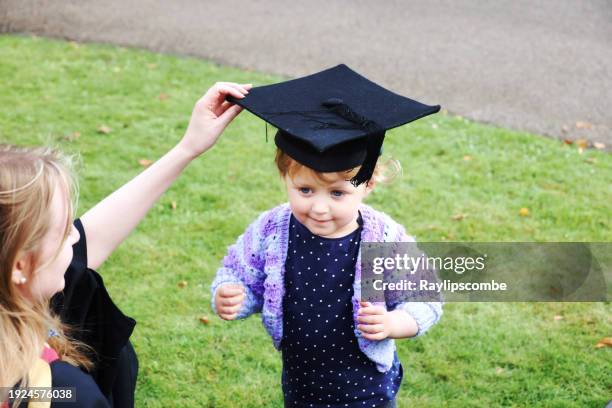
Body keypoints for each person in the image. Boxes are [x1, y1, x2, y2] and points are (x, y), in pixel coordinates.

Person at [0, 82, 251, 407]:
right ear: (20, 265)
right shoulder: (62, 395)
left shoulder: (15, 295)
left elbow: (90, 237)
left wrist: (188, 147)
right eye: (63, 231)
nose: (74, 236)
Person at [211, 65, 443, 408]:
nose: (319, 207)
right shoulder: (271, 229)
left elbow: (427, 296)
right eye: (305, 190)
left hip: (365, 385)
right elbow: (241, 274)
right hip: (301, 380)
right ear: (285, 178)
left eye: (336, 194)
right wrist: (232, 295)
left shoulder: (385, 239)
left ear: (367, 185)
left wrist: (394, 323)